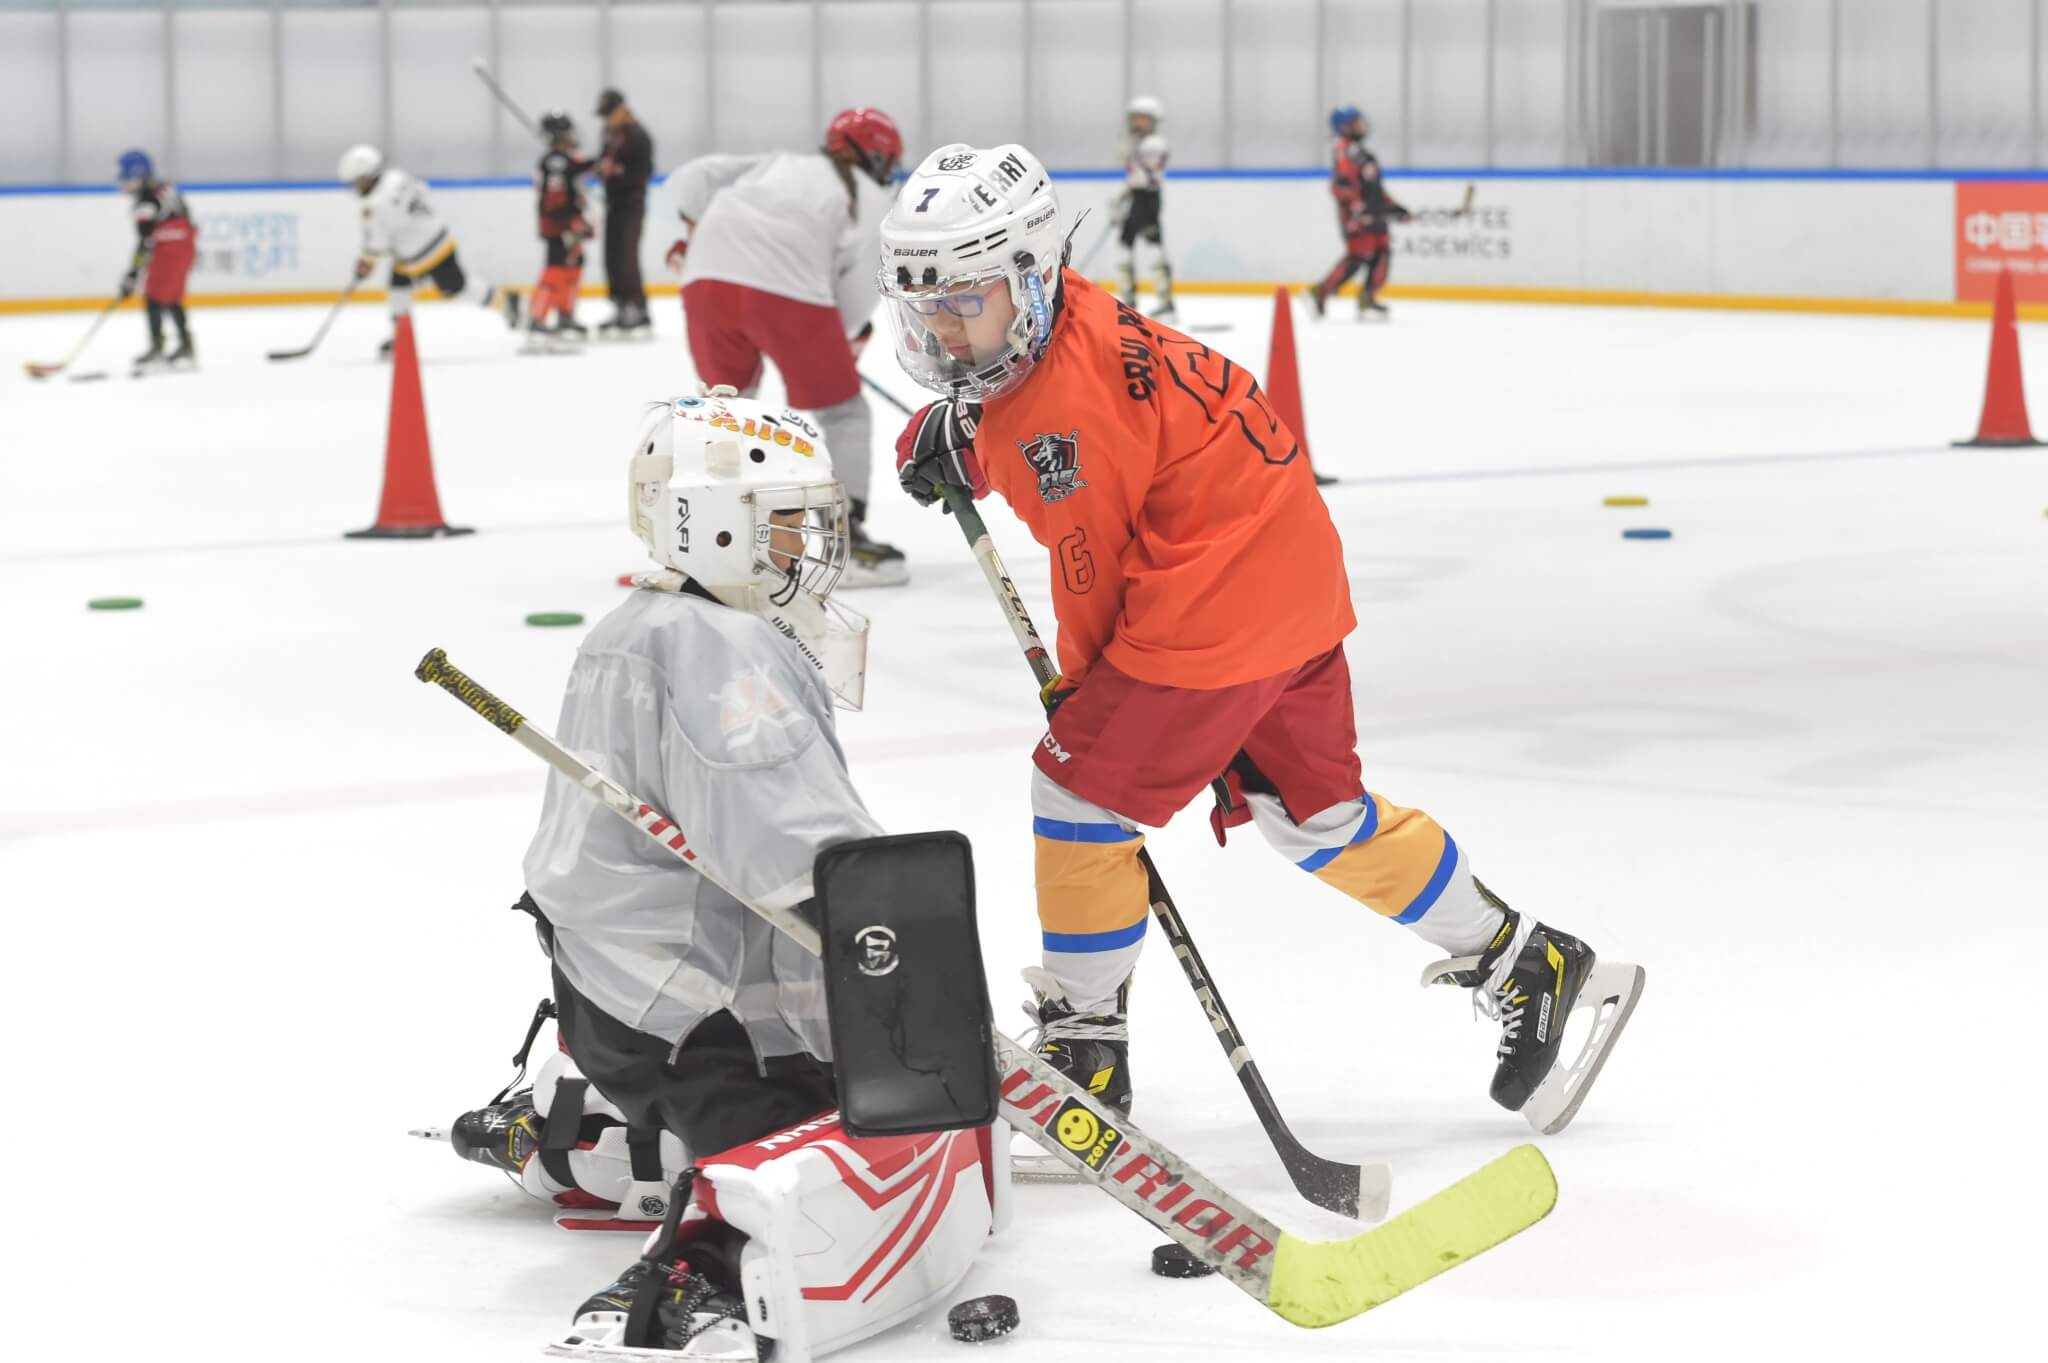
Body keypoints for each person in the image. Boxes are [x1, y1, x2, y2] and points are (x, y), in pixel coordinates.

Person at [879, 143, 1643, 1128]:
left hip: (1210, 615)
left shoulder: (1057, 419)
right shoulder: (1082, 325)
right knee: (1320, 817)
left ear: (1029, 277)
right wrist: (972, 438)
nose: (943, 327)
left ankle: (1085, 1053)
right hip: (1292, 584)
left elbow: (1091, 567)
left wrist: (1091, 706)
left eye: (962, 301)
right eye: (925, 309)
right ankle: (1525, 959)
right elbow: (1092, 439)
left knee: (1076, 791)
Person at [512, 388, 998, 1359]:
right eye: (784, 520)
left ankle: (578, 1127)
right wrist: (925, 999)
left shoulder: (639, 622)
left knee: (774, 1082)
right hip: (696, 1016)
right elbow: (810, 859)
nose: (805, 545)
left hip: (609, 996)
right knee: (829, 1127)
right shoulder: (724, 650)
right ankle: (692, 1269)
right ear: (713, 521)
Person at [658, 108, 907, 588]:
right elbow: (853, 305)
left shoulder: (777, 163)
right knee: (845, 413)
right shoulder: (873, 198)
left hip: (706, 280)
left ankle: (708, 540)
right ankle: (844, 543)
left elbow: (690, 179)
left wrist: (696, 234)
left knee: (725, 414)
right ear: (877, 158)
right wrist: (843, 342)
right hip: (788, 293)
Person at [337, 144, 520, 357]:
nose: (356, 186)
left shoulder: (373, 206)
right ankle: (401, 336)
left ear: (371, 175)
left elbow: (378, 246)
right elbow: (424, 190)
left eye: (358, 181)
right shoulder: (397, 177)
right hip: (436, 237)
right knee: (399, 287)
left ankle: (506, 301)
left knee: (455, 287)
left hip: (420, 252)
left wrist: (365, 263)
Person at [1310, 106, 1410, 320]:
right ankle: (1320, 292)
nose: (1360, 127)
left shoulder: (1362, 153)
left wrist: (1392, 207)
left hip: (1374, 213)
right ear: (1343, 127)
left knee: (1382, 251)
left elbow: (1374, 187)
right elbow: (1341, 186)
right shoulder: (1343, 151)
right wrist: (1357, 208)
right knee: (1359, 255)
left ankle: (1367, 298)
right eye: (1355, 123)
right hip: (1358, 216)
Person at [116, 148, 196, 371]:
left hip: (169, 250)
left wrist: (132, 275)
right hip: (185, 248)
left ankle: (157, 349)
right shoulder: (166, 189)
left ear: (138, 176)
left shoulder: (145, 201)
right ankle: (186, 346)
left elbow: (145, 242)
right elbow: (186, 217)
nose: (123, 183)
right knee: (172, 297)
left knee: (153, 298)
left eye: (126, 178)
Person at [526, 112, 596, 349]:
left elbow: (578, 169)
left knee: (573, 266)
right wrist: (570, 222)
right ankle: (537, 318)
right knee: (555, 269)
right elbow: (554, 199)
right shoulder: (555, 162)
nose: (572, 137)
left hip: (569, 223)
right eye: (567, 133)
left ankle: (566, 315)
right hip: (559, 226)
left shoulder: (563, 160)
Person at [594, 89, 656, 337]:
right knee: (612, 256)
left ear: (622, 109)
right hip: (613, 203)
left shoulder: (638, 136)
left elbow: (644, 171)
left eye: (610, 113)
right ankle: (620, 305)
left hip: (631, 204)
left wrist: (618, 173)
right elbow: (602, 160)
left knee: (627, 256)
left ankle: (637, 308)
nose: (607, 119)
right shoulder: (609, 133)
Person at [1116, 96, 1175, 319]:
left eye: (1141, 118)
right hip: (1136, 197)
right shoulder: (1137, 142)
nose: (1136, 123)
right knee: (1125, 247)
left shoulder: (1153, 144)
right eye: (1134, 118)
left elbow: (1145, 171)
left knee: (1153, 248)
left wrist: (1132, 150)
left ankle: (1165, 301)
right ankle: (1128, 299)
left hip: (1147, 198)